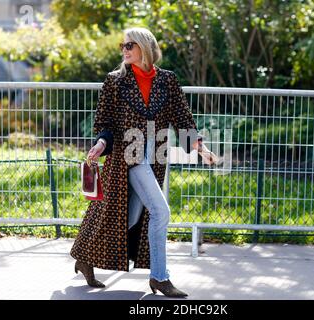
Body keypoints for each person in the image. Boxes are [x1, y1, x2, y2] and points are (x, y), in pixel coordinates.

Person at [70, 27, 218, 298]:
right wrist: (101, 143)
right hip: (128, 157)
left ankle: (85, 257)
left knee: (128, 218)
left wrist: (201, 149)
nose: (124, 50)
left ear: (145, 47)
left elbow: (182, 120)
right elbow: (105, 123)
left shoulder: (167, 81)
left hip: (155, 156)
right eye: (122, 45)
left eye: (130, 45)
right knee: (161, 212)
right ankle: (160, 278)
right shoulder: (115, 81)